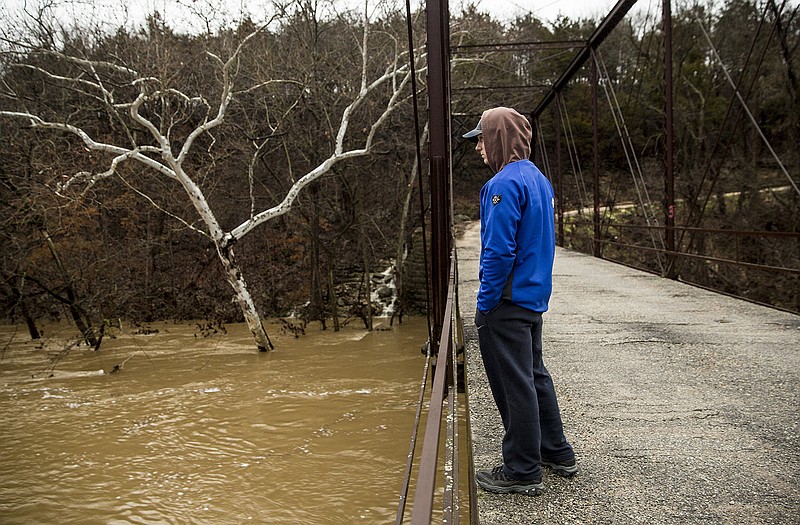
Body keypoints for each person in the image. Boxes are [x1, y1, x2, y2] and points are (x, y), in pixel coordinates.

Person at [463, 107, 577, 496]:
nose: (478, 147)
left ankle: (522, 469)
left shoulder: (502, 185)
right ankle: (556, 452)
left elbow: (497, 252)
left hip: (506, 302)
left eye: (482, 138)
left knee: (515, 385)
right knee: (534, 375)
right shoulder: (538, 179)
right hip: (532, 297)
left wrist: (486, 301)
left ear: (498, 137)